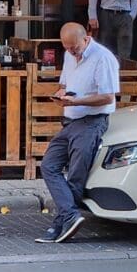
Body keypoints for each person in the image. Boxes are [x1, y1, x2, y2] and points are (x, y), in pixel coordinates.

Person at [36, 22, 120, 244]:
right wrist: (61, 94)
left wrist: (77, 101)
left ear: (86, 38)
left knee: (76, 174)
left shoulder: (103, 58)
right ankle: (69, 216)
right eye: (67, 48)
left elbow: (108, 97)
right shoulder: (68, 55)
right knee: (49, 165)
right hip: (71, 120)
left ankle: (62, 222)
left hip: (92, 121)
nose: (72, 52)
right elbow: (65, 83)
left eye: (75, 48)